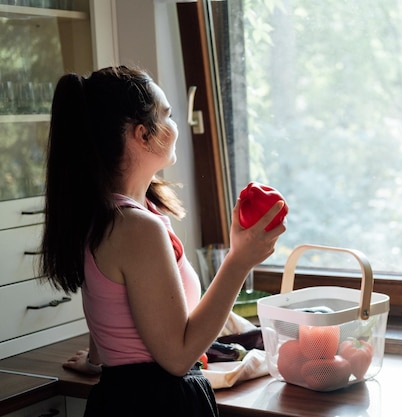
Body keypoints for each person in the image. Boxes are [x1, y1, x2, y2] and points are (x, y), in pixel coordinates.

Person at [40, 66, 286, 417]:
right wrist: (240, 260)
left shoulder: (116, 212)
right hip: (155, 404)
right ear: (142, 135)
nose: (175, 127)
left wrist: (99, 359)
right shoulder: (136, 227)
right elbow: (177, 356)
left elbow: (111, 305)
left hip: (127, 396)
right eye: (167, 116)